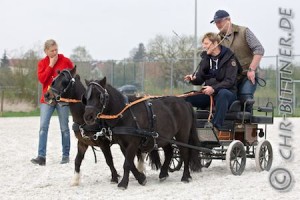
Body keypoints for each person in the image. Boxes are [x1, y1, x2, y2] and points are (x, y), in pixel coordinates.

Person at [210, 10, 265, 112]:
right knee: (227, 98)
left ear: (229, 20)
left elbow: (259, 49)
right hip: (230, 78)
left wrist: (251, 69)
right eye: (216, 22)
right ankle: (230, 123)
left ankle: (248, 123)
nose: (217, 25)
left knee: (245, 97)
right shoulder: (217, 39)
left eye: (220, 21)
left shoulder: (244, 32)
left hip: (247, 75)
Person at [184, 32, 240, 131]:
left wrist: (214, 88)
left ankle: (215, 127)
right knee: (185, 98)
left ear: (215, 44)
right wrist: (193, 79)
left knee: (223, 94)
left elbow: (230, 81)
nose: (203, 46)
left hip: (228, 94)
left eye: (206, 44)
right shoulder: (205, 58)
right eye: (203, 44)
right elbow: (200, 78)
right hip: (209, 94)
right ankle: (185, 127)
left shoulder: (230, 59)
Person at [31, 39, 74, 165]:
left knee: (64, 128)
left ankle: (65, 156)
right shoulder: (42, 63)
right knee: (43, 128)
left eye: (56, 50)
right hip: (47, 99)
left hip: (62, 99)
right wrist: (50, 65)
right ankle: (41, 157)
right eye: (52, 51)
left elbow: (73, 76)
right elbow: (42, 79)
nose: (55, 52)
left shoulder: (65, 61)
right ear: (46, 51)